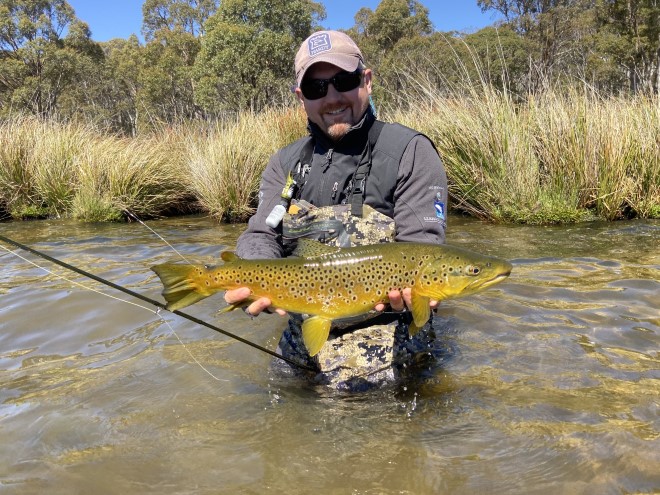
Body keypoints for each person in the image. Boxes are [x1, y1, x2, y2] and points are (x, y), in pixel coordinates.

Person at [224, 30, 448, 386]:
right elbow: (262, 233)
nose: (332, 97)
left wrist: (416, 294)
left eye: (343, 80)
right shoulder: (285, 164)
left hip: (390, 349)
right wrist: (253, 277)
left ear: (367, 80)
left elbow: (424, 250)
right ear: (301, 98)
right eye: (316, 88)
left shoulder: (411, 151)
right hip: (303, 345)